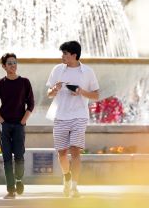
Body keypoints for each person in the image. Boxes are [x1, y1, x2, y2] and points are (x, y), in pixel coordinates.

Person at [46, 41, 99, 198]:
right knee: (62, 153)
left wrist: (81, 91)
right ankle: (67, 177)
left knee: (75, 151)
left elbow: (96, 95)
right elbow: (49, 94)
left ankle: (74, 187)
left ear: (74, 55)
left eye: (65, 53)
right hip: (60, 116)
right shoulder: (57, 70)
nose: (62, 56)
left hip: (79, 116)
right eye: (62, 53)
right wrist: (54, 89)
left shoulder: (87, 72)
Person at [0, 53, 34, 199]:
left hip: (19, 126)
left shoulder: (25, 82)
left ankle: (19, 179)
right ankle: (10, 189)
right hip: (5, 126)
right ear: (3, 66)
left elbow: (31, 104)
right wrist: (1, 121)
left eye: (14, 63)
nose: (13, 66)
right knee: (7, 158)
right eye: (9, 63)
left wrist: (23, 121)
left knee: (19, 156)